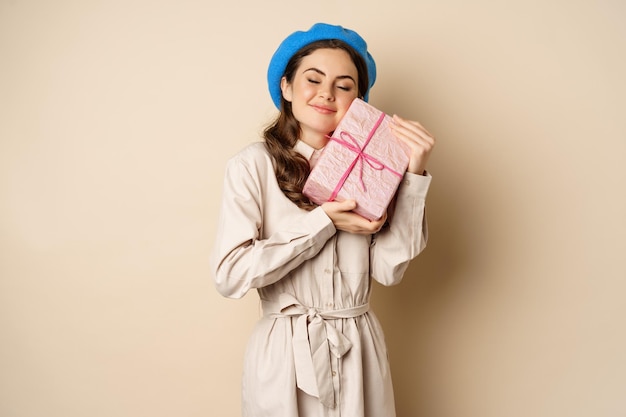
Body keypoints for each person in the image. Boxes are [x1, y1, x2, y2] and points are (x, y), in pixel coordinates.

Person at [210, 22, 435, 417]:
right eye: (313, 79)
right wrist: (323, 223)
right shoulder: (252, 166)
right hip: (284, 352)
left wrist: (413, 176)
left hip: (357, 348)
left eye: (345, 85)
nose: (327, 94)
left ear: (360, 100)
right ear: (286, 87)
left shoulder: (377, 169)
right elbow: (230, 274)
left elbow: (388, 270)